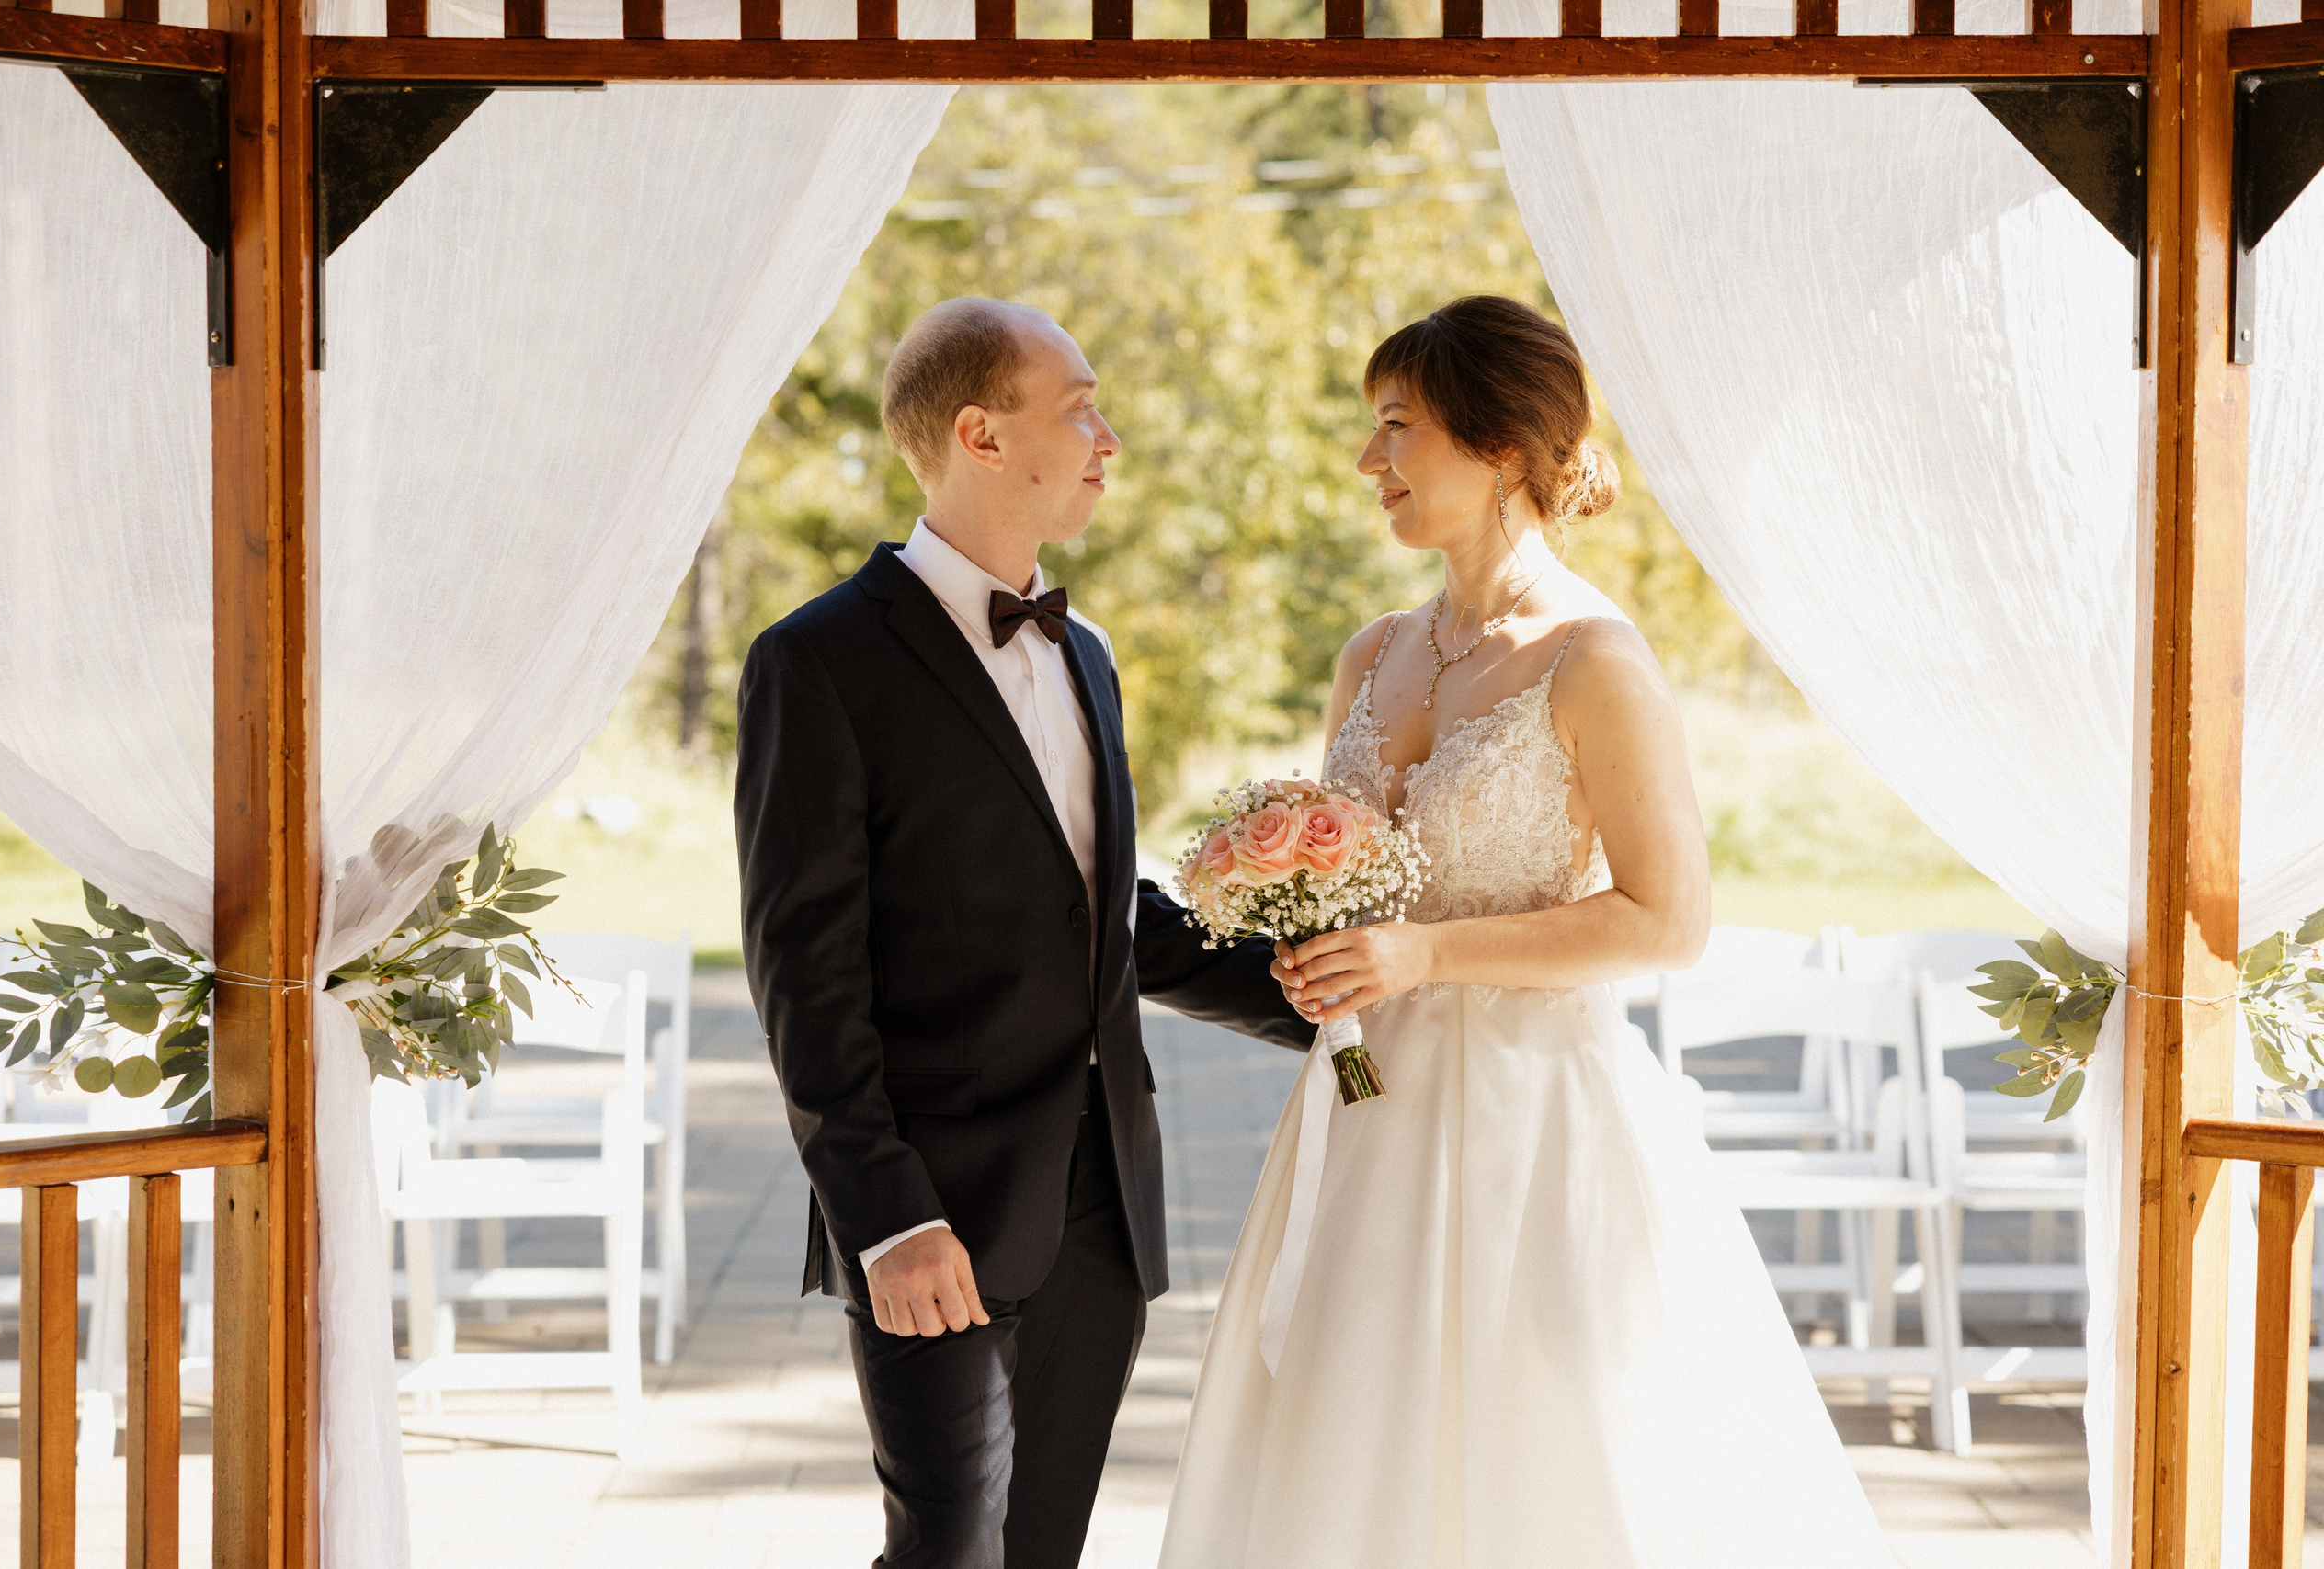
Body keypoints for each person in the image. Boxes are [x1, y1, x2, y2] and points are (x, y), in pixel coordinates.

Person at [1157, 295, 1897, 1567]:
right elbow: (1357, 878)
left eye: (1399, 427)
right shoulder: (1371, 653)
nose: (1367, 460)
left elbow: (1669, 920)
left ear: (1505, 449)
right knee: (1346, 1444)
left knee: (1543, 1457)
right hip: (1364, 1104)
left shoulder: (1593, 660)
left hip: (1533, 1121)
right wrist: (1299, 924)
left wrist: (1428, 954)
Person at [734, 296, 1314, 1569]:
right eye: (1079, 407)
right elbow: (803, 977)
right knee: (949, 1548)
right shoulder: (818, 662)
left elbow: (1113, 924)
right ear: (980, 434)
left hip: (1103, 1196)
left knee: (1041, 1549)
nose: (1108, 437)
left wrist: (1323, 995)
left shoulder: (1087, 652)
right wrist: (881, 1216)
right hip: (933, 1204)